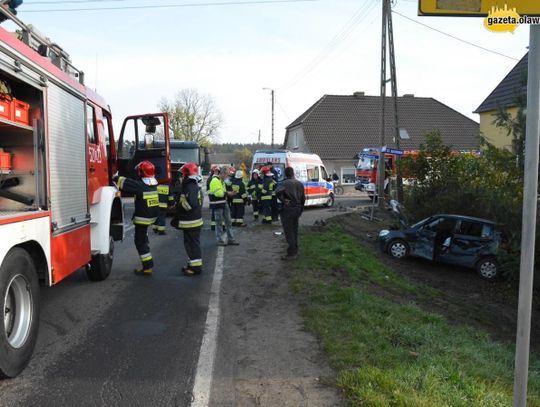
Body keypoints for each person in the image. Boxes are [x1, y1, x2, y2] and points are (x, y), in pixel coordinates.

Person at [114, 161, 159, 275]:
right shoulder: (153, 185)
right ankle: (147, 263)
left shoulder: (140, 186)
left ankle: (147, 267)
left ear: (141, 172)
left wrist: (115, 176)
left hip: (142, 219)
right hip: (151, 217)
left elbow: (126, 182)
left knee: (139, 242)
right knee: (143, 239)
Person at [172, 162, 204, 276]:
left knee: (192, 245)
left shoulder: (190, 185)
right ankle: (192, 264)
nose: (181, 177)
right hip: (191, 221)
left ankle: (196, 268)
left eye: (182, 174)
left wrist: (178, 206)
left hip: (191, 222)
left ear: (186, 174)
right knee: (190, 244)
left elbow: (191, 204)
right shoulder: (190, 184)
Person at [275, 166, 305, 260]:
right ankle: (295, 250)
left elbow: (277, 192)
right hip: (297, 209)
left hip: (288, 209)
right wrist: (301, 209)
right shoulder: (299, 184)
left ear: (285, 174)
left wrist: (284, 200)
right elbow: (303, 198)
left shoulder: (284, 183)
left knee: (288, 231)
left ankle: (291, 253)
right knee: (295, 230)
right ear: (293, 173)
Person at [208, 166, 239, 246]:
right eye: (227, 175)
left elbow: (223, 192)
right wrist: (228, 193)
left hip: (223, 203)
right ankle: (220, 240)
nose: (227, 177)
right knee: (219, 223)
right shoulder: (215, 181)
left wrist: (229, 193)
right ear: (223, 173)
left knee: (228, 221)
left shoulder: (221, 181)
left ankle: (231, 239)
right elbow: (218, 194)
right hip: (217, 204)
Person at [206, 164, 219, 231]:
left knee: (214, 212)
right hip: (215, 198)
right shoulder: (214, 179)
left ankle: (213, 226)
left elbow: (208, 190)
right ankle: (217, 226)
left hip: (212, 198)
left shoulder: (209, 179)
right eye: (216, 171)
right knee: (218, 212)